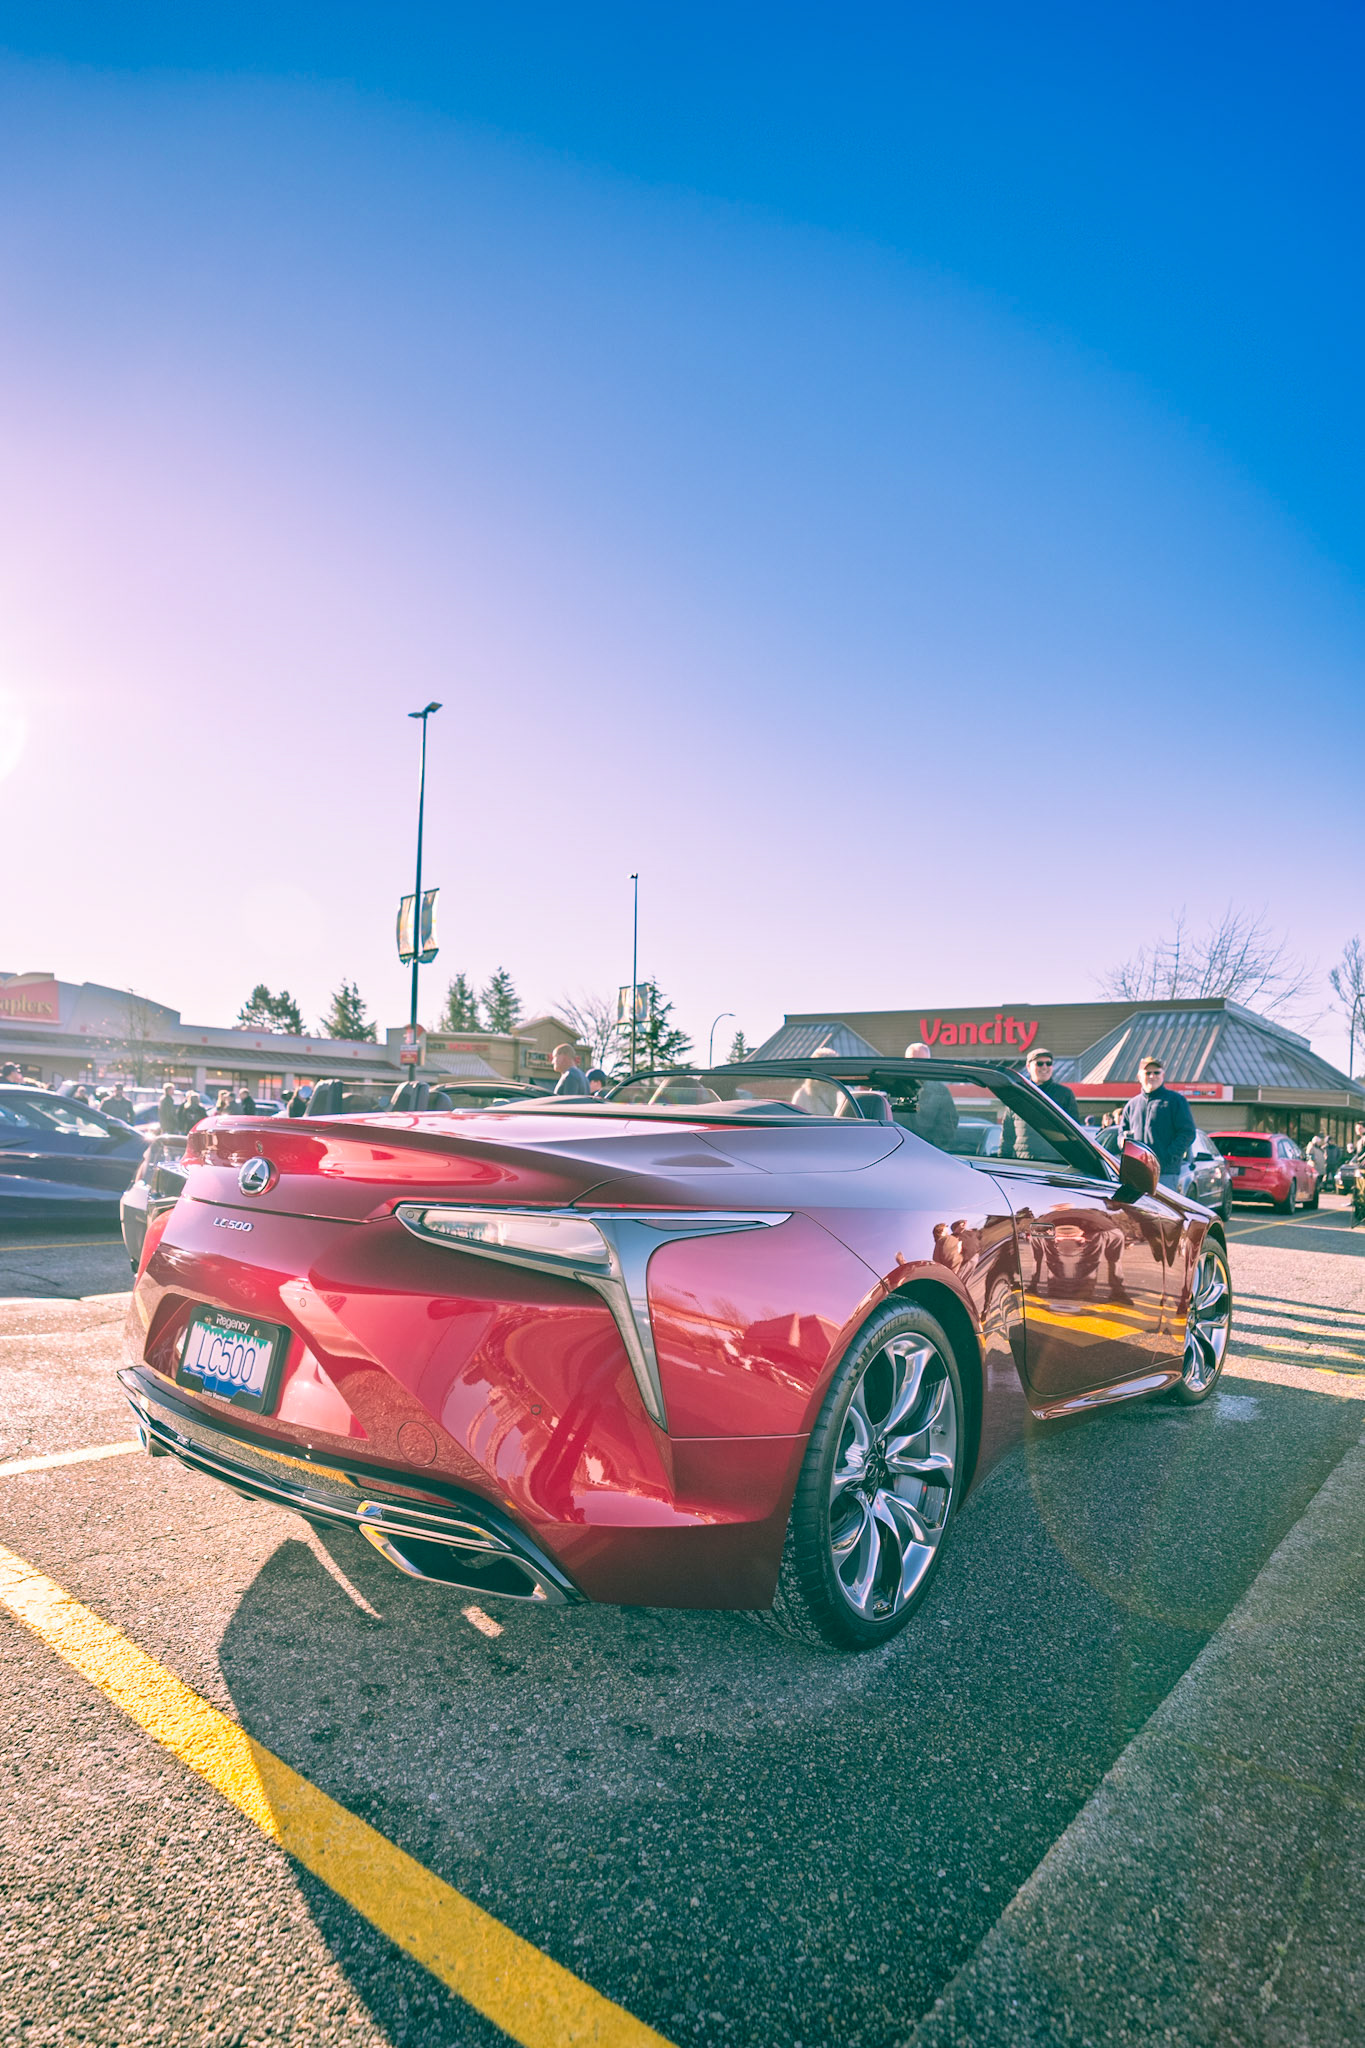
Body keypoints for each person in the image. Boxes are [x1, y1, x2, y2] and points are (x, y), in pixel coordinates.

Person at [1118, 1055, 1196, 1188]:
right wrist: (1122, 1141)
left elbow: (1188, 1133)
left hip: (1164, 1173)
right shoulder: (1132, 1105)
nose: (1152, 1076)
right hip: (1135, 1173)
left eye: (1156, 1072)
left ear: (1163, 1075)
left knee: (1160, 1203)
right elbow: (1121, 1133)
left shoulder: (1175, 1101)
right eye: (1147, 1073)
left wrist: (1168, 1156)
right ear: (1139, 1076)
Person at [899, 1041, 959, 1148]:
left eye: (921, 1061)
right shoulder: (891, 1087)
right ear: (905, 1060)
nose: (916, 1065)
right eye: (912, 1061)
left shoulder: (940, 1091)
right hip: (892, 1151)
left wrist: (928, 1146)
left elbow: (948, 1126)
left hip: (927, 1152)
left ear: (928, 1062)